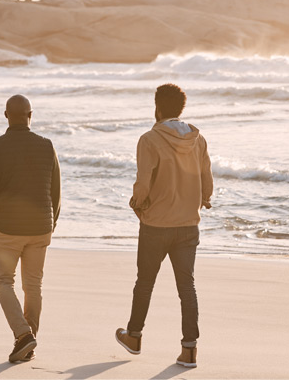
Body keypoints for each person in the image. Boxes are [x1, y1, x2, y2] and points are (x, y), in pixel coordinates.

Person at [116, 84, 213, 368]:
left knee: (145, 282)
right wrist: (204, 199)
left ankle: (134, 336)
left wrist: (137, 203)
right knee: (187, 287)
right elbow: (207, 178)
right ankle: (189, 349)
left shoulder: (149, 139)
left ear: (156, 107)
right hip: (188, 225)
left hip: (156, 225)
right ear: (180, 109)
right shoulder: (198, 139)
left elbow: (143, 184)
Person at [0, 94, 61, 363]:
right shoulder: (47, 146)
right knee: (33, 285)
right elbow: (56, 190)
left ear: (6, 116)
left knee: (3, 281)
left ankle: (23, 335)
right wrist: (52, 221)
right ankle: (29, 341)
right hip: (40, 228)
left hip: (6, 228)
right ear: (30, 115)